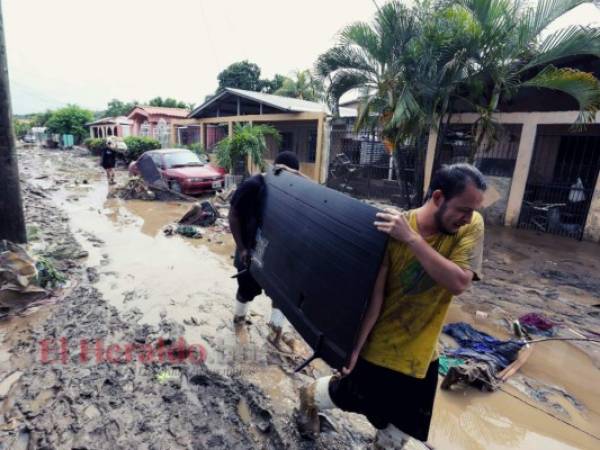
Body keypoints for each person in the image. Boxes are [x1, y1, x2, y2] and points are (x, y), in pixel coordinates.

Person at [296, 163, 487, 449]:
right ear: (438, 197)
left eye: (473, 210)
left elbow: (459, 282)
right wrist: (354, 349)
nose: (468, 217)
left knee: (402, 429)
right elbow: (376, 297)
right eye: (462, 209)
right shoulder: (389, 231)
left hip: (423, 356)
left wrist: (411, 239)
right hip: (382, 347)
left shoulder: (469, 226)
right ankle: (308, 395)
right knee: (344, 396)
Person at [228, 151, 304, 345]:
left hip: (277, 253)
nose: (289, 180)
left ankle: (275, 331)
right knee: (246, 289)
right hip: (250, 249)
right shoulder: (253, 185)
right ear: (275, 170)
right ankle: (239, 320)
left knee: (280, 295)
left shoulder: (293, 190)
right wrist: (242, 248)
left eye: (293, 176)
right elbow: (234, 216)